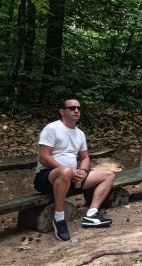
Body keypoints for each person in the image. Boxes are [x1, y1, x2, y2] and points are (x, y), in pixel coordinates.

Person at [34, 98, 116, 241]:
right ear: (62, 111)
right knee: (64, 172)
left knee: (108, 175)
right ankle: (59, 219)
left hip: (72, 175)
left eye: (78, 108)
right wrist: (68, 170)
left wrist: (82, 171)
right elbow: (44, 157)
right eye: (72, 108)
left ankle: (91, 213)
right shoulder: (52, 128)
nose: (76, 110)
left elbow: (84, 158)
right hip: (47, 177)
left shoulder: (79, 133)